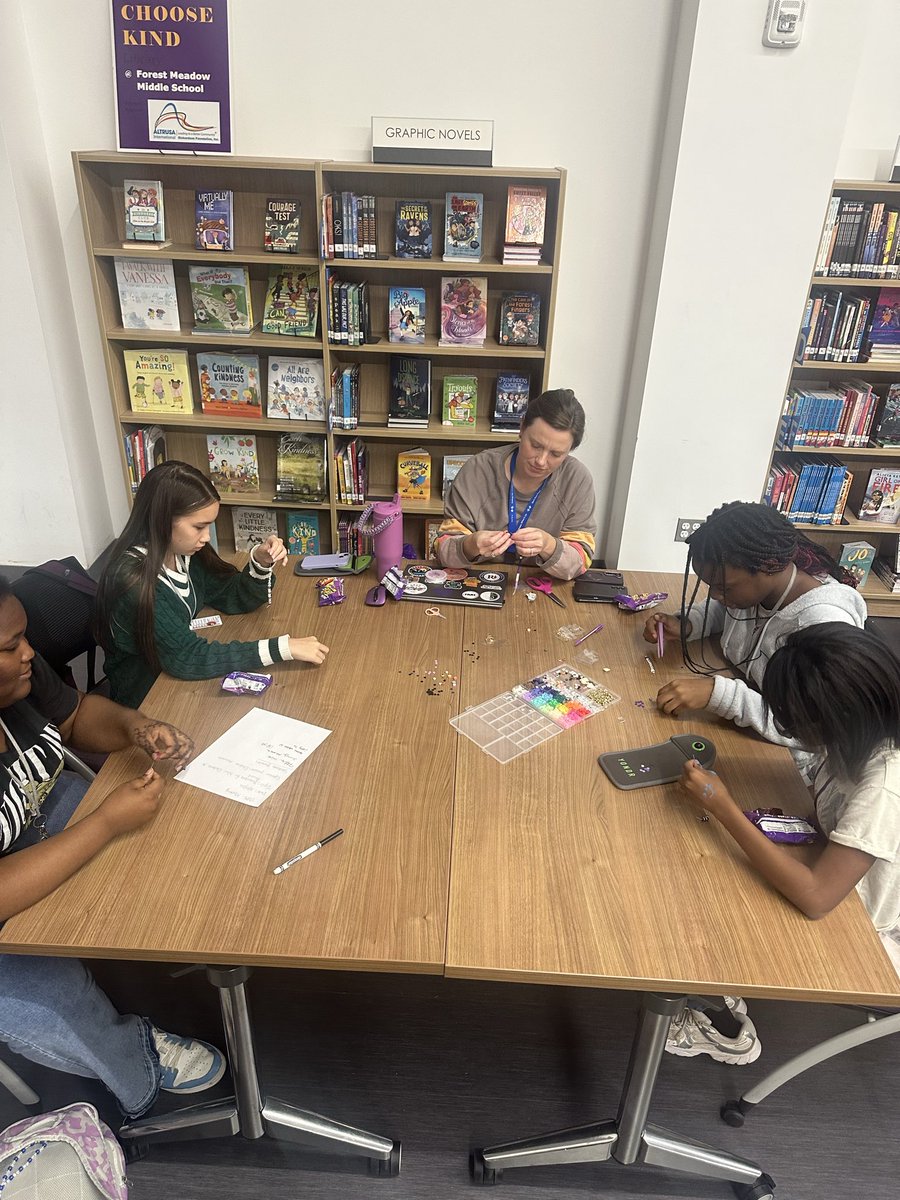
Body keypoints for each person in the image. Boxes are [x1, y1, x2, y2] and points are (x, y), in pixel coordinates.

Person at [0, 575, 226, 1116]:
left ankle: (154, 953)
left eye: (24, 636)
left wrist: (136, 727)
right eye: (10, 648)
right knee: (54, 998)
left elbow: (75, 716)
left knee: (171, 834)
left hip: (45, 822)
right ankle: (136, 1063)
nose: (30, 653)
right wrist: (103, 823)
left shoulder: (19, 686)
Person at [668, 624, 900, 1063]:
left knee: (701, 902)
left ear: (839, 715)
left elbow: (816, 898)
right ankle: (713, 989)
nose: (792, 730)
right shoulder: (858, 739)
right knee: (701, 863)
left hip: (867, 932)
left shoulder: (886, 784)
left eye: (799, 721)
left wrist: (724, 807)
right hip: (836, 875)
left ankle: (721, 1025)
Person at [96, 460, 328, 709]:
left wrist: (260, 561)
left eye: (209, 525)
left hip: (177, 684)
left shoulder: (184, 551)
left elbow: (233, 597)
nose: (207, 537)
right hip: (147, 700)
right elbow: (186, 657)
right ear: (161, 520)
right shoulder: (133, 580)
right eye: (199, 527)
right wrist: (283, 647)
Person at [643, 502, 866, 757]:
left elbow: (815, 730)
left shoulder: (822, 623)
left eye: (724, 588)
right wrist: (688, 623)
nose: (716, 595)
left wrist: (719, 694)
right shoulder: (756, 588)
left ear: (768, 567)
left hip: (790, 764)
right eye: (710, 586)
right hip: (745, 720)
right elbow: (724, 608)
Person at [436, 389, 596, 580]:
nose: (541, 461)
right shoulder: (478, 470)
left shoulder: (576, 480)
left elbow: (580, 561)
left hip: (544, 583)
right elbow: (443, 551)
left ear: (569, 450)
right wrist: (470, 545)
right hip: (476, 580)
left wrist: (548, 545)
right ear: (521, 428)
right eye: (535, 445)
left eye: (556, 454)